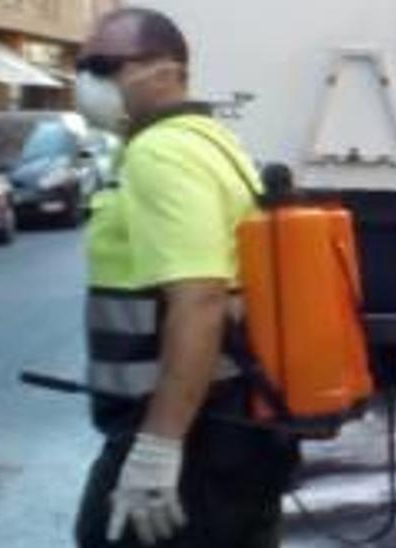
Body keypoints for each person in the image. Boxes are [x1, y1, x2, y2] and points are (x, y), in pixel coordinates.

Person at [73, 8, 298, 547]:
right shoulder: (211, 140)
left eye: (104, 66)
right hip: (235, 428)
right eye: (82, 66)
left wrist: (157, 448)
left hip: (194, 436)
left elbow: (198, 298)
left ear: (164, 70)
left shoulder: (162, 154)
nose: (87, 82)